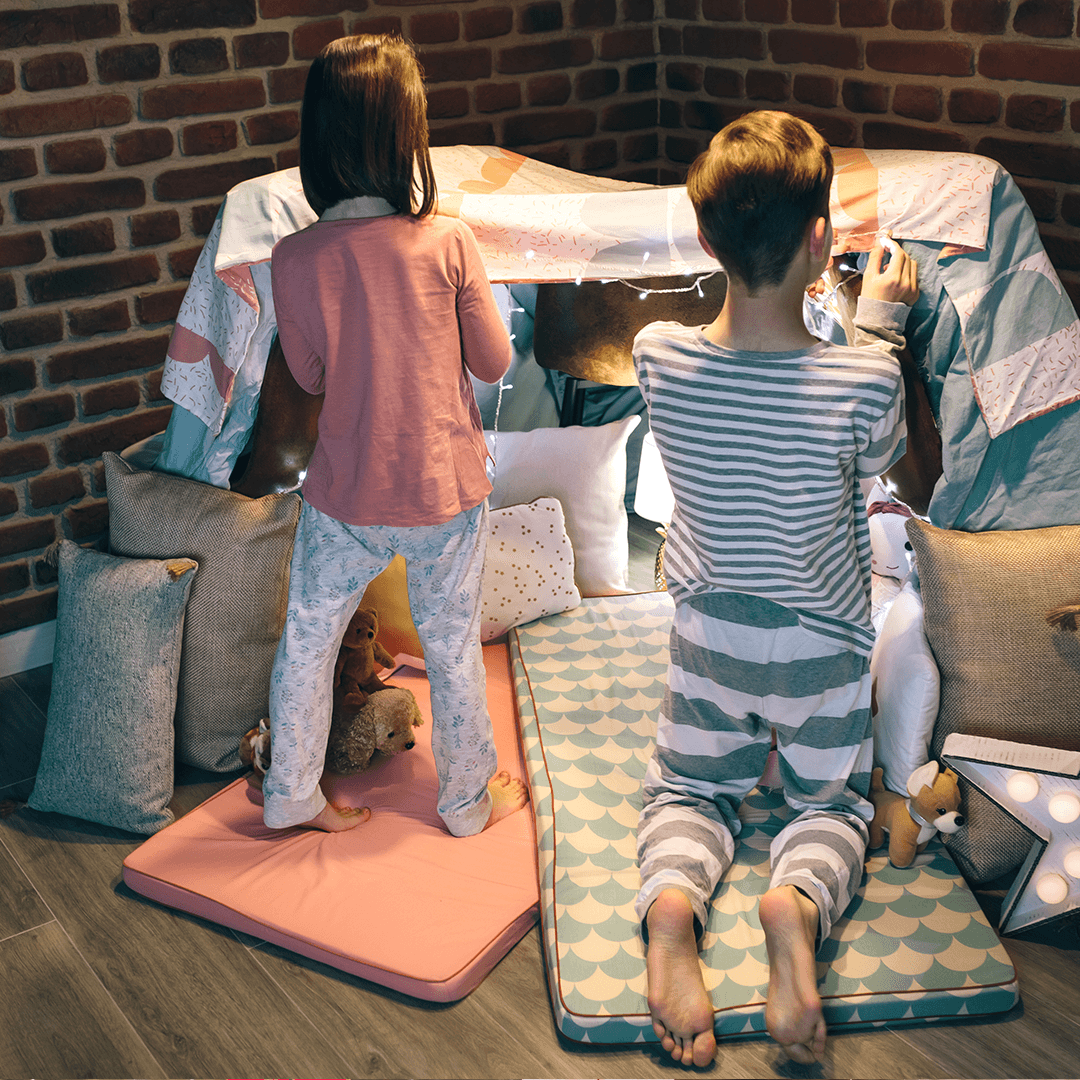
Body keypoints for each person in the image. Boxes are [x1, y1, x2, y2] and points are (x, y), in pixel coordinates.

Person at [632, 110, 919, 1067]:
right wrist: (880, 329)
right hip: (819, 641)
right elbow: (879, 465)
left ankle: (674, 907)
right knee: (829, 808)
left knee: (689, 789)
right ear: (820, 239)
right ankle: (793, 904)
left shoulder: (658, 355)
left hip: (710, 628)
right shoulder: (864, 378)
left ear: (706, 238)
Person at [261, 34, 527, 837]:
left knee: (308, 641)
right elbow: (494, 361)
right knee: (452, 648)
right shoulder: (448, 241)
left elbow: (310, 376)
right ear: (406, 135)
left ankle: (291, 794)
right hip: (443, 491)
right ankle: (466, 803)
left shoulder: (293, 257)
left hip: (344, 495)